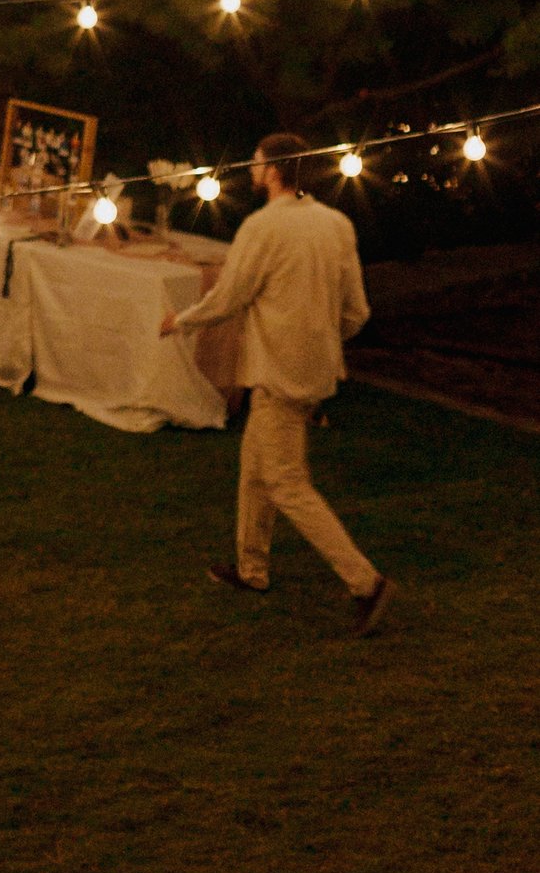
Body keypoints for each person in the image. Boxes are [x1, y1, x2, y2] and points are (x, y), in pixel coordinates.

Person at [159, 132, 389, 631]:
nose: (251, 170)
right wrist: (324, 340)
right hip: (314, 368)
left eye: (257, 162)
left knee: (285, 481)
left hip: (278, 371)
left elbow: (230, 296)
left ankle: (365, 582)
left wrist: (180, 321)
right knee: (256, 466)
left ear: (276, 170)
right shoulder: (336, 223)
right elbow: (357, 311)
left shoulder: (263, 227)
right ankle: (252, 568)